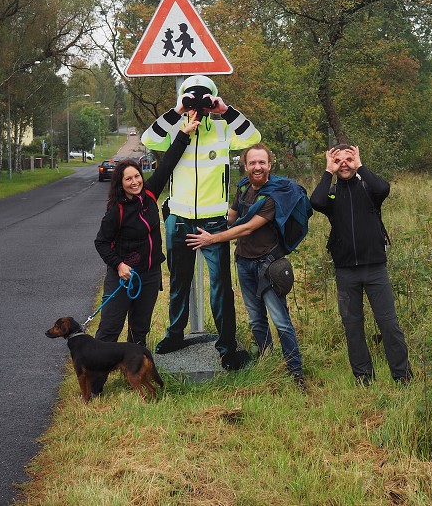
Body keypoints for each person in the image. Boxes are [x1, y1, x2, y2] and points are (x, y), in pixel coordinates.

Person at [141, 75, 261, 370]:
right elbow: (148, 139)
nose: (197, 105)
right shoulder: (175, 129)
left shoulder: (222, 129)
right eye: (191, 99)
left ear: (212, 100)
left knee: (220, 286)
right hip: (179, 217)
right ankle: (175, 335)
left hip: (214, 221)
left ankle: (226, 346)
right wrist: (178, 111)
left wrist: (225, 110)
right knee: (178, 283)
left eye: (202, 100)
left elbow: (252, 138)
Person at [92, 117, 199, 395]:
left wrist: (184, 134)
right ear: (121, 183)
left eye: (137, 176)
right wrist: (119, 266)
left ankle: (135, 376)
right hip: (123, 277)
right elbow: (102, 243)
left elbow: (168, 163)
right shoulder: (115, 211)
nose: (135, 181)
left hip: (149, 276)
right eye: (128, 179)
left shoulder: (150, 194)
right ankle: (95, 384)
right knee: (110, 329)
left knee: (139, 331)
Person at [186, 143, 307, 388]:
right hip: (244, 263)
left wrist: (213, 238)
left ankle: (296, 372)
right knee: (256, 320)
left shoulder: (274, 194)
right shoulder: (242, 187)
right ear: (245, 165)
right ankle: (267, 363)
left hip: (268, 265)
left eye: (262, 162)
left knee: (280, 320)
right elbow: (233, 216)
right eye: (252, 163)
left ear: (270, 165)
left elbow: (248, 226)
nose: (257, 167)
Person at [310, 144, 413, 386]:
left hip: (375, 267)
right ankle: (363, 377)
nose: (344, 163)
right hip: (345, 271)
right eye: (339, 160)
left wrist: (360, 166)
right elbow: (315, 201)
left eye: (349, 159)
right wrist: (327, 170)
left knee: (389, 324)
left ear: (356, 159)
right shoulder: (332, 194)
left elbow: (383, 187)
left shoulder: (369, 188)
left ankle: (402, 376)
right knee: (352, 326)